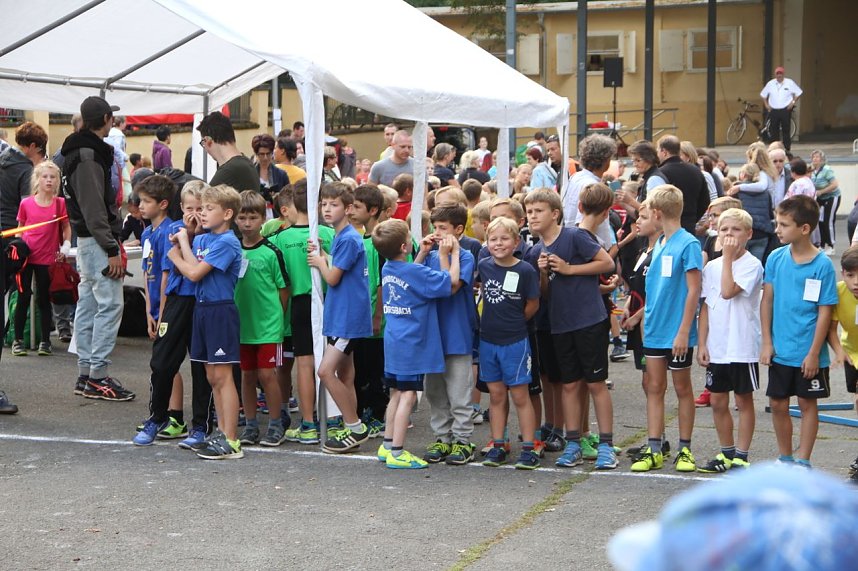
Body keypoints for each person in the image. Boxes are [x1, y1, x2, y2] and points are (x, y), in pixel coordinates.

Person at [61, 96, 135, 401]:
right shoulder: (88, 155)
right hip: (96, 240)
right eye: (110, 117)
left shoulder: (77, 151)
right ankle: (97, 376)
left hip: (87, 239)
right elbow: (94, 209)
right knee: (108, 306)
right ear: (105, 119)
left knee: (90, 305)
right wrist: (111, 247)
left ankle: (87, 374)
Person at [167, 184, 244, 460]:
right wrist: (186, 241)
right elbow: (190, 265)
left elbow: (194, 273)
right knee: (211, 376)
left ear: (227, 213)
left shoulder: (227, 242)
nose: (202, 213)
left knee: (223, 376)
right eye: (201, 208)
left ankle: (231, 439)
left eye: (209, 209)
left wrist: (177, 252)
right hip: (202, 309)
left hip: (219, 311)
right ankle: (221, 432)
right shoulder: (204, 239)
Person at [373, 219, 458, 469]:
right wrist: (449, 255)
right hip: (412, 343)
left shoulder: (388, 268)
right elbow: (449, 281)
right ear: (403, 246)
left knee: (396, 393)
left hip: (394, 340)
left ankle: (387, 444)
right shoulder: (415, 272)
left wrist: (421, 253)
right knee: (408, 395)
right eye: (410, 238)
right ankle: (398, 452)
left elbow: (410, 276)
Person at [631, 184, 703, 473]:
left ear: (658, 213)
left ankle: (685, 449)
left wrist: (684, 330)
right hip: (654, 329)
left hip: (677, 332)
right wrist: (640, 317)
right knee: (654, 387)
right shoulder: (659, 243)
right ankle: (654, 447)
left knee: (682, 387)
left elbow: (694, 290)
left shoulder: (689, 244)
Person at [761, 195, 837, 468]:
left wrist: (814, 353)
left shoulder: (822, 265)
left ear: (804, 228)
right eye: (777, 223)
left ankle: (803, 460)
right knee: (778, 404)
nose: (777, 229)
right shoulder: (775, 257)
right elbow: (767, 301)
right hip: (780, 349)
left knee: (807, 404)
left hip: (808, 351)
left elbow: (825, 312)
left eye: (783, 225)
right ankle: (785, 458)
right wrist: (767, 342)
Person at [142, 180, 213, 451]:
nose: (195, 214)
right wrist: (159, 311)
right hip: (176, 300)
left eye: (201, 209)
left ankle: (201, 425)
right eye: (190, 208)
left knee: (201, 366)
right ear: (181, 207)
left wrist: (194, 234)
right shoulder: (173, 231)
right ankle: (157, 417)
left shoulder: (211, 235)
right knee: (162, 362)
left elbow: (196, 268)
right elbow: (165, 273)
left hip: (202, 301)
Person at [307, 182, 373, 453]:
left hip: (348, 319)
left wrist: (320, 262)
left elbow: (333, 277)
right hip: (343, 315)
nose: (327, 209)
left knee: (325, 371)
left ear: (347, 208)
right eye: (324, 204)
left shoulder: (348, 238)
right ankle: (351, 427)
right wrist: (324, 254)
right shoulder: (343, 236)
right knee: (346, 374)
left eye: (333, 205)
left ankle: (355, 427)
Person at [696, 208, 763, 473]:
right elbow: (706, 307)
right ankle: (726, 452)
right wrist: (702, 343)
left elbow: (727, 291)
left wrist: (726, 259)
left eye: (735, 230)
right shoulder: (711, 268)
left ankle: (741, 456)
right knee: (717, 401)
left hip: (741, 346)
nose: (729, 234)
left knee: (743, 401)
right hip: (718, 346)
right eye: (724, 229)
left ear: (748, 234)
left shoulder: (752, 265)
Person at [273, 181, 335, 444]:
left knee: (305, 364)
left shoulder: (279, 239)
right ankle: (332, 420)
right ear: (317, 204)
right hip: (327, 301)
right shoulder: (329, 233)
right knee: (331, 363)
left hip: (299, 305)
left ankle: (309, 423)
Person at [478, 217, 541, 469]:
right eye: (493, 239)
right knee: (495, 394)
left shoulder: (525, 270)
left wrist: (516, 321)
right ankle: (498, 444)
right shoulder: (484, 265)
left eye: (504, 238)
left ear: (516, 242)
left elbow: (533, 303)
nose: (498, 243)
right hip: (488, 340)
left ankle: (529, 447)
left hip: (515, 340)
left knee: (520, 395)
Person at [417, 204, 478, 466]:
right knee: (435, 391)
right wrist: (422, 252)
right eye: (435, 227)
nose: (437, 233)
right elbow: (412, 278)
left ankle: (463, 439)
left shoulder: (465, 257)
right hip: (433, 334)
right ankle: (442, 436)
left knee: (459, 391)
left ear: (459, 229)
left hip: (457, 334)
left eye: (443, 228)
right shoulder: (431, 254)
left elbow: (449, 287)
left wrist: (445, 256)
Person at [132, 174, 186, 446]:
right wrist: (148, 310)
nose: (140, 206)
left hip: (171, 305)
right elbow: (147, 272)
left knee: (165, 362)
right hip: (154, 306)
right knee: (165, 363)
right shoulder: (146, 233)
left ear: (163, 204)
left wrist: (162, 312)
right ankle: (169, 414)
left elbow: (166, 275)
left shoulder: (170, 231)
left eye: (146, 201)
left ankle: (172, 416)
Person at [234, 191, 290, 448]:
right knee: (247, 375)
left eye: (253, 218)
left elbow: (283, 289)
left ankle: (276, 423)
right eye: (242, 218)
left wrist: (276, 318)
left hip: (268, 326)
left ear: (262, 218)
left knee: (267, 375)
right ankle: (251, 424)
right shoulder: (233, 250)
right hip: (242, 326)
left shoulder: (271, 252)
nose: (247, 223)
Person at [11, 161, 71, 357]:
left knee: (44, 299)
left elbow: (66, 227)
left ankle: (45, 341)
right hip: (27, 258)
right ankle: (18, 340)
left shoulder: (60, 204)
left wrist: (66, 245)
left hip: (47, 258)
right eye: (45, 176)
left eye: (52, 177)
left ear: (57, 181)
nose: (49, 180)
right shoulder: (26, 203)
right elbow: (20, 229)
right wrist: (18, 250)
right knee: (23, 297)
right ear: (37, 179)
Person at [350, 185, 389, 436]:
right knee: (362, 368)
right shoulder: (361, 239)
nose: (351, 211)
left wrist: (378, 315)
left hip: (378, 323)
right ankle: (365, 410)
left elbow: (383, 281)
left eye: (357, 207)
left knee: (376, 370)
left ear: (372, 210)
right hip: (361, 319)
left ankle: (377, 414)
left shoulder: (382, 240)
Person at [826, 248, 858, 479]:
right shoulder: (838, 291)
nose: (856, 282)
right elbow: (831, 329)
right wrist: (839, 352)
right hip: (852, 352)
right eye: (850, 275)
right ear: (843, 274)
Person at [562, 134, 618, 249]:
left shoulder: (576, 177)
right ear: (605, 160)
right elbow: (583, 225)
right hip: (590, 249)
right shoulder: (591, 185)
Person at [725, 142, 777, 262]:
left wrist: (739, 187)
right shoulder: (766, 192)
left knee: (740, 264)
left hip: (743, 231)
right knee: (756, 264)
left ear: (743, 174)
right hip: (762, 232)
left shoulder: (738, 190)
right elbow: (770, 213)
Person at [656, 135, 710, 235]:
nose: (657, 155)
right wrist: (692, 218)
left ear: (664, 152)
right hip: (689, 226)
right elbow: (705, 201)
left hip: (667, 229)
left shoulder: (661, 173)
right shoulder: (696, 171)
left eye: (658, 151)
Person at [1, 121, 47, 233]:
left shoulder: (3, 156)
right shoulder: (26, 170)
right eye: (40, 150)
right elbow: (28, 208)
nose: (41, 156)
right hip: (14, 228)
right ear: (32, 146)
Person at [198, 112, 258, 193]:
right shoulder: (246, 163)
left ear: (208, 141)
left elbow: (206, 198)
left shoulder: (229, 170)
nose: (205, 149)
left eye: (203, 143)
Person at [761, 66, 802, 152]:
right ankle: (774, 148)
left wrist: (792, 102)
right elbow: (763, 95)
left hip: (785, 110)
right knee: (773, 130)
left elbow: (798, 93)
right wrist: (766, 105)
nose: (779, 75)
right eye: (777, 74)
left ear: (783, 74)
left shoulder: (789, 82)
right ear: (775, 75)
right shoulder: (770, 84)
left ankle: (787, 148)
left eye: (781, 73)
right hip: (774, 110)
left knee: (786, 129)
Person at [810, 149, 840, 255]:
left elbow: (834, 184)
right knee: (819, 221)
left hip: (831, 197)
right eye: (813, 157)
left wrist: (821, 192)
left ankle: (831, 245)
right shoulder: (812, 171)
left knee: (828, 220)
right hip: (820, 199)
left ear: (822, 159)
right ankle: (821, 245)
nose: (815, 159)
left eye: (817, 157)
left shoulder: (827, 170)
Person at [252, 134, 289, 201]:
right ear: (256, 154)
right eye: (262, 154)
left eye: (268, 154)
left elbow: (287, 197)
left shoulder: (281, 174)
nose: (265, 158)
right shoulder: (251, 173)